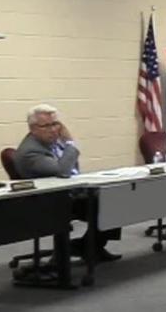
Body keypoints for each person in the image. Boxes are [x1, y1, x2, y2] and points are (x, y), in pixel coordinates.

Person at [14, 104, 121, 261]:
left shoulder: (53, 143)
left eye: (55, 124)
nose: (53, 129)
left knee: (115, 197)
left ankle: (91, 246)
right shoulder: (30, 151)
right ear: (32, 128)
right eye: (46, 126)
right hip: (49, 201)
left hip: (68, 193)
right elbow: (63, 171)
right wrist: (69, 142)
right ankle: (84, 247)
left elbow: (72, 170)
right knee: (109, 204)